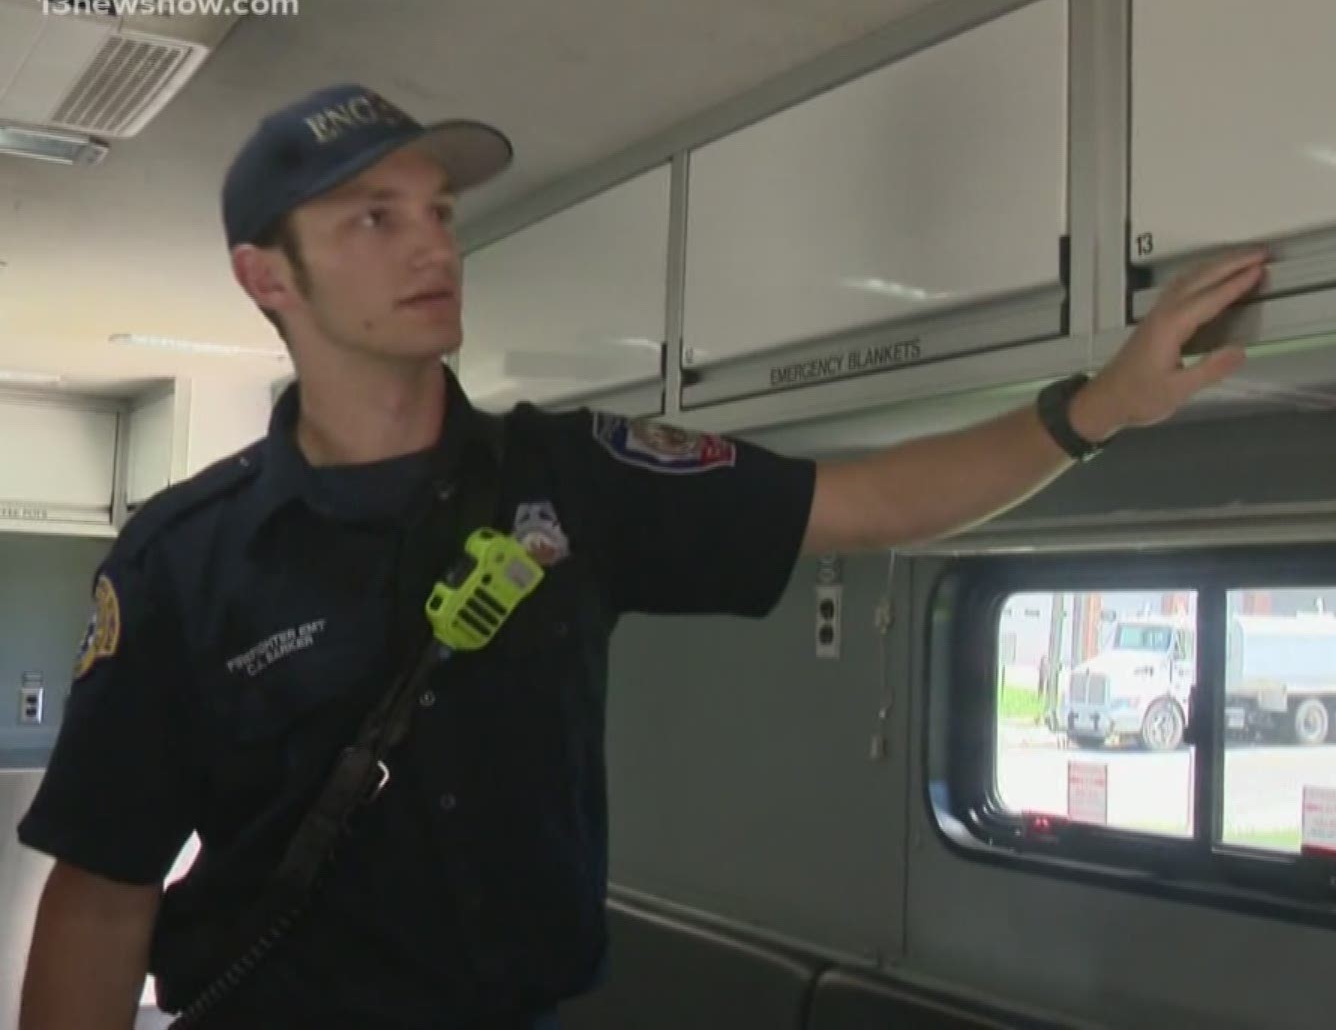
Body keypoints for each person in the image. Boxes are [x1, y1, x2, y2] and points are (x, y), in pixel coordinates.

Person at [13, 82, 1266, 1030]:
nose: (433, 246)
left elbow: (875, 500)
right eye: (372, 219)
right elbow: (104, 893)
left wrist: (1098, 408)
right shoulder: (182, 560)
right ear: (262, 276)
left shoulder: (578, 481)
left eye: (440, 213)